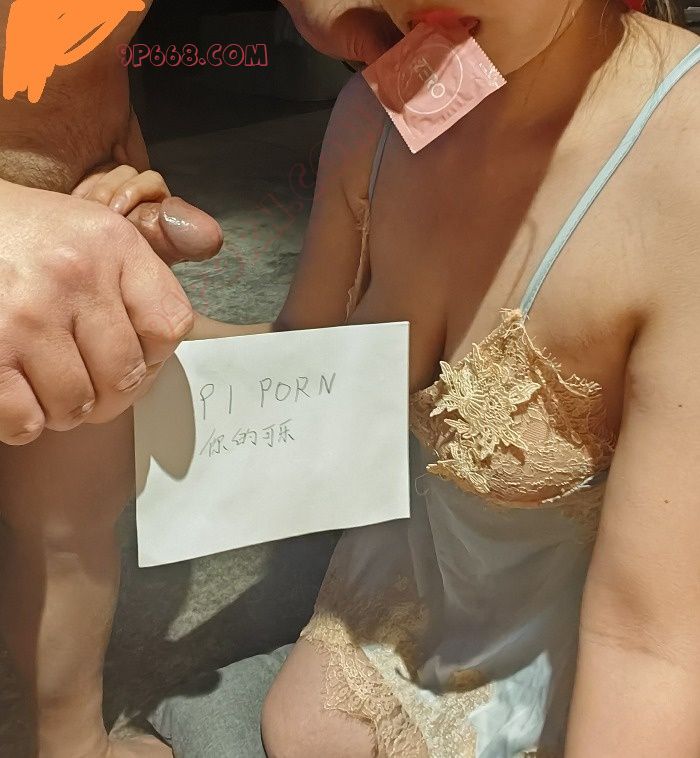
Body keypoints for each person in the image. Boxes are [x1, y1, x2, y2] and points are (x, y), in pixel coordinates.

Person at [111, 1, 700, 756]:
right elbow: (306, 373)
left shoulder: (678, 157)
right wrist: (132, 301)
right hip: (390, 619)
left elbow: (651, 641)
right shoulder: (386, 110)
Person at [0, 2, 405, 757]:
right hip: (26, 231)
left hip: (88, 208)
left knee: (67, 522)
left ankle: (69, 742)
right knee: (61, 528)